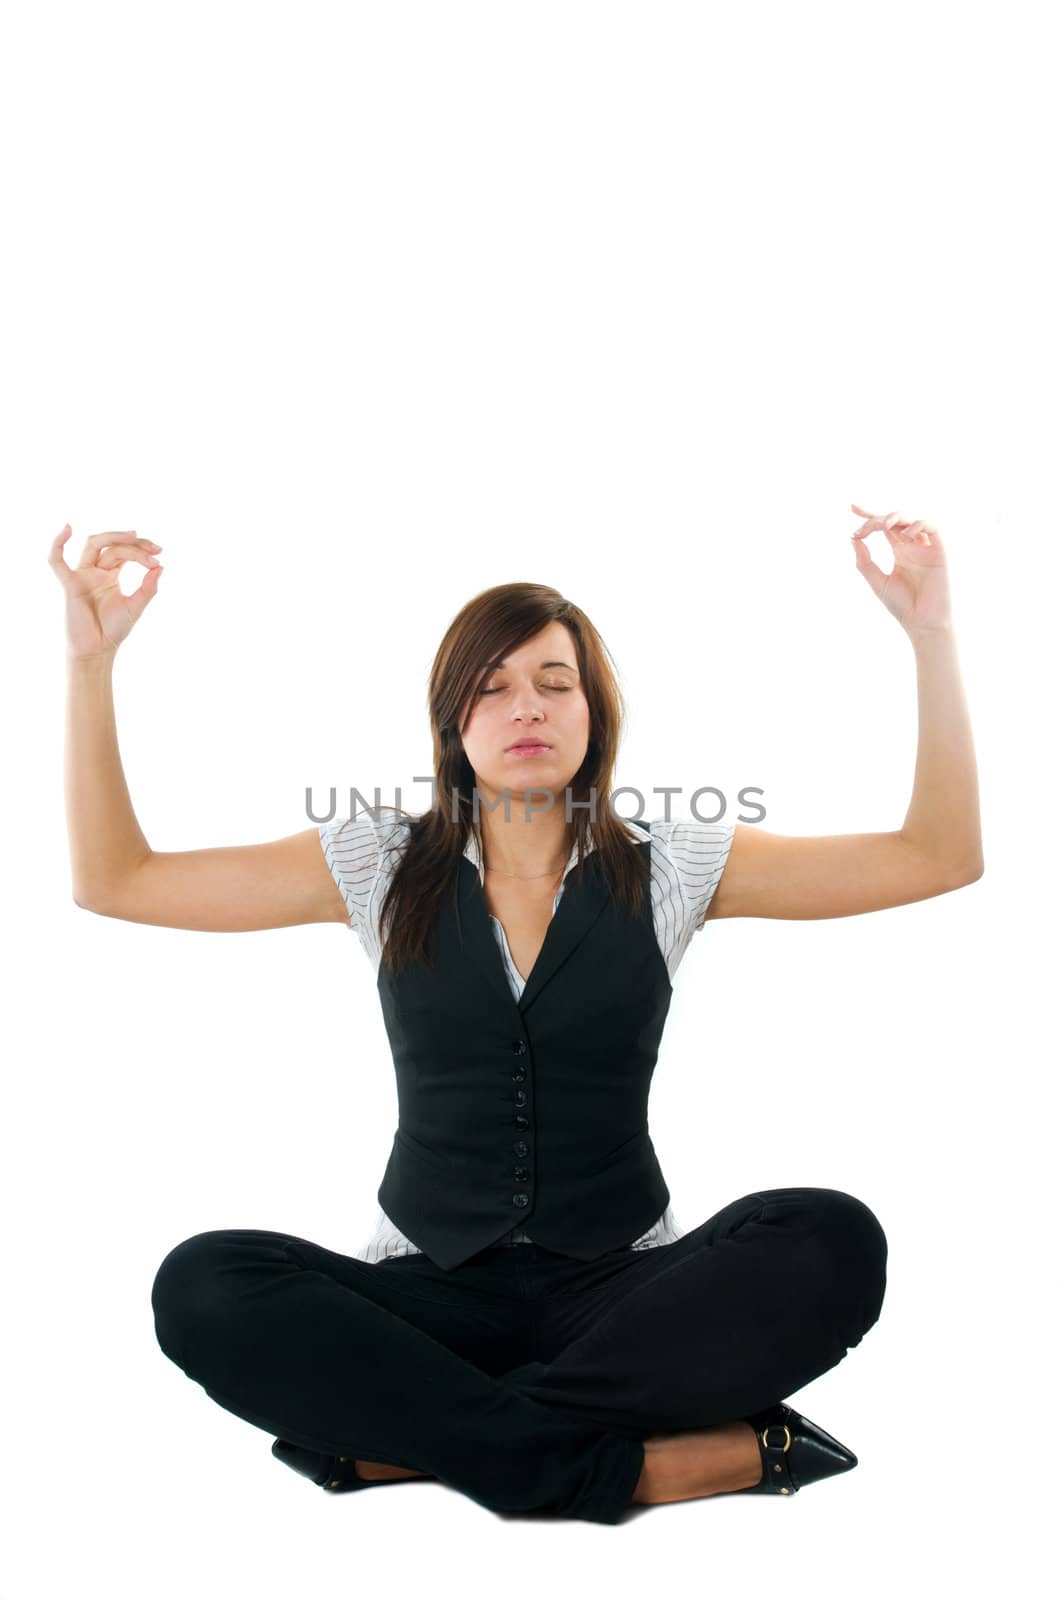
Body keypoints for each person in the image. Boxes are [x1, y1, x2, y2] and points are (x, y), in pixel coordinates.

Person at [50, 505, 983, 1525]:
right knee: (204, 1282)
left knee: (830, 1237)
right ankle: (655, 1468)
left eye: (554, 682)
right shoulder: (373, 860)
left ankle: (399, 1450)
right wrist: (89, 663)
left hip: (621, 1301)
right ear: (453, 725)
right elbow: (117, 879)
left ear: (593, 714)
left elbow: (936, 856)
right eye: (490, 687)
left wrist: (929, 636)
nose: (524, 707)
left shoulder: (676, 863)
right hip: (423, 1301)